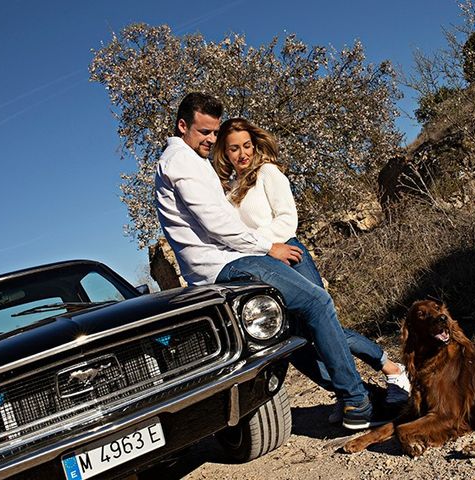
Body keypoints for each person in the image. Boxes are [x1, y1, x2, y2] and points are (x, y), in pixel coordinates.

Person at [155, 92, 383, 429]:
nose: (211, 139)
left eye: (215, 132)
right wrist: (268, 246)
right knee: (318, 304)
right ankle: (357, 401)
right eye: (204, 132)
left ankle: (360, 393)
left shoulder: (190, 163)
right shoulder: (182, 163)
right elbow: (218, 225)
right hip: (227, 263)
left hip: (225, 262)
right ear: (182, 125)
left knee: (298, 325)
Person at [212, 118, 411, 422]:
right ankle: (351, 394)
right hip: (263, 265)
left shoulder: (268, 173)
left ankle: (391, 369)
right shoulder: (229, 193)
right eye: (234, 149)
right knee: (294, 339)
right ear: (224, 153)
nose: (243, 154)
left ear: (255, 145)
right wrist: (261, 252)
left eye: (247, 146)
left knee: (321, 326)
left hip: (288, 255)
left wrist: (267, 247)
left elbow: (286, 220)